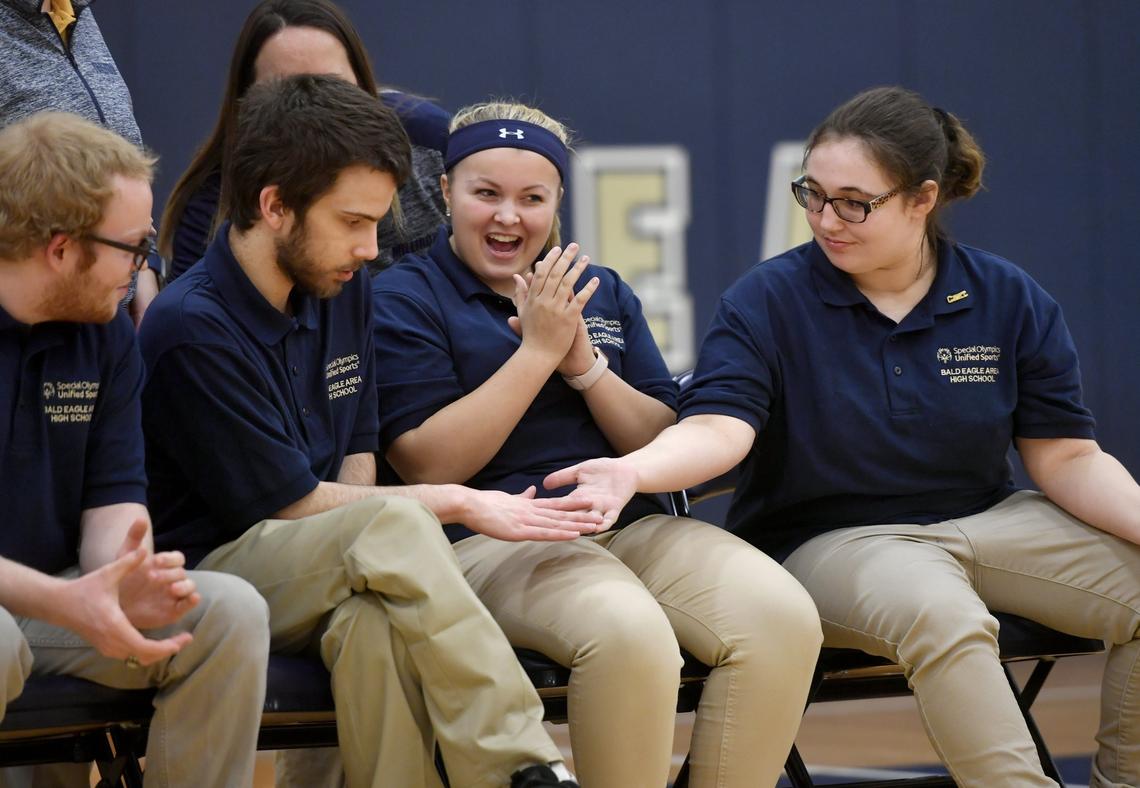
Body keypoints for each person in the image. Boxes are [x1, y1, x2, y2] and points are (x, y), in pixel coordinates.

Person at [547, 85, 1140, 788]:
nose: (826, 219)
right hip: (830, 545)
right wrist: (636, 472)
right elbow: (717, 427)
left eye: (855, 202)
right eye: (813, 194)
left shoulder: (1006, 295)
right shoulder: (768, 299)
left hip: (990, 521)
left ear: (922, 199)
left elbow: (1067, 457)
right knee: (942, 614)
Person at [140, 74, 590, 788]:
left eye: (377, 221)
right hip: (211, 575)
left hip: (322, 561)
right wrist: (457, 500)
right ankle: (524, 766)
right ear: (275, 206)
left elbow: (356, 452)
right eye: (352, 222)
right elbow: (290, 506)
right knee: (396, 528)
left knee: (374, 630)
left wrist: (375, 548)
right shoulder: (191, 326)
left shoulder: (342, 287)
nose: (371, 245)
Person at [371, 100, 823, 788]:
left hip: (630, 526)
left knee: (782, 616)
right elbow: (430, 462)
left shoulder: (600, 288)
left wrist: (585, 368)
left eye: (532, 198)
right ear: (446, 192)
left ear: (558, 201)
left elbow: (660, 440)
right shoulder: (403, 297)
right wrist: (538, 354)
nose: (507, 217)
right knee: (627, 634)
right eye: (485, 193)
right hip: (495, 538)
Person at [0, 111, 269, 787]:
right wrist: (77, 605)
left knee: (231, 612)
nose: (147, 268)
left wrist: (125, 581)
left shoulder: (109, 331)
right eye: (134, 247)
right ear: (60, 248)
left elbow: (112, 501)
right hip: (27, 611)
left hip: (55, 597)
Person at [159, 0, 448, 280]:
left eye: (335, 87)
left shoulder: (431, 140)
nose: (316, 110)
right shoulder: (212, 207)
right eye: (290, 92)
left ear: (362, 82)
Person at [1, 0, 164, 325]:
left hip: (106, 310)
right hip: (27, 312)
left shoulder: (75, 11)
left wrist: (141, 261)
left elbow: (118, 151)